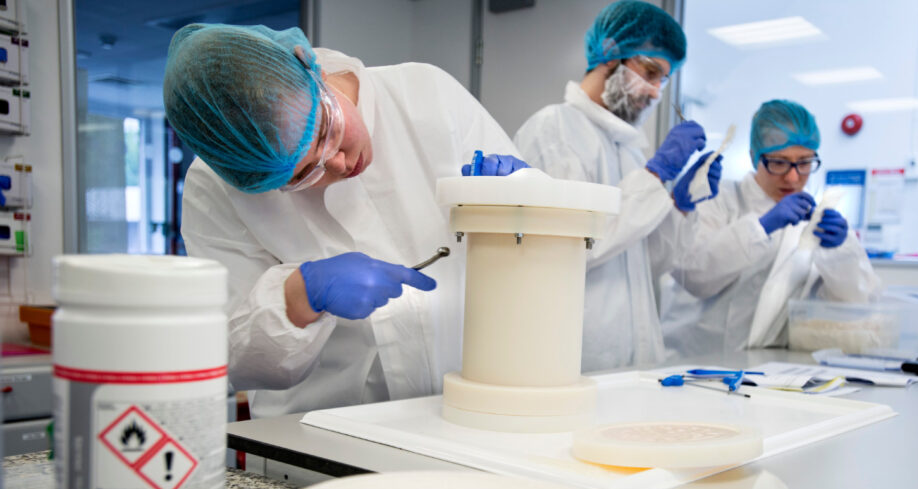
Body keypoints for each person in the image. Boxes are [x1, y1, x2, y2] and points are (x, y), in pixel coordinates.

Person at [163, 24, 524, 418]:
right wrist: (299, 297)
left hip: (470, 412)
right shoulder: (213, 187)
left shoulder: (426, 95)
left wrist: (529, 196)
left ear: (311, 70)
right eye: (299, 176)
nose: (338, 164)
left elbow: (548, 239)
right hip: (321, 430)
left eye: (326, 132)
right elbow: (231, 355)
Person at [512, 0, 721, 373]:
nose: (657, 92)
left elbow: (647, 260)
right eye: (651, 71)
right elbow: (572, 243)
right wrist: (654, 177)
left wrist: (680, 205)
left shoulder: (629, 150)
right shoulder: (556, 130)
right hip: (574, 359)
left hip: (634, 361)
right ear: (610, 52)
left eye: (663, 80)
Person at [660, 99, 882, 357]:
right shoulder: (719, 198)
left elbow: (857, 305)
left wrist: (841, 254)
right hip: (692, 361)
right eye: (779, 162)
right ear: (755, 157)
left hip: (768, 368)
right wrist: (761, 228)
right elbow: (694, 275)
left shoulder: (815, 221)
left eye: (804, 162)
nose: (792, 177)